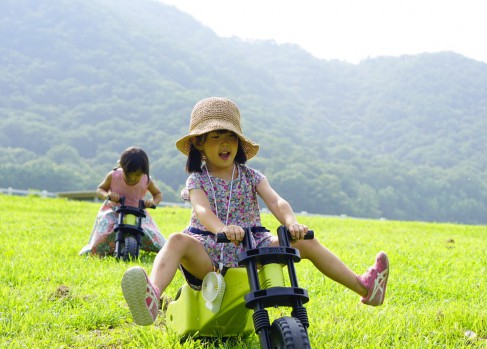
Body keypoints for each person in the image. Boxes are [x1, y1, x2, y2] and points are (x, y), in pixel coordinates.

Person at [121, 97, 389, 326]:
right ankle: (153, 297)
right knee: (177, 240)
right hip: (208, 254)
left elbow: (276, 202)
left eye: (230, 137)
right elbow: (202, 210)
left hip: (251, 249)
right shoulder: (197, 181)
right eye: (216, 137)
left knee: (305, 241)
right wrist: (222, 230)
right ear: (200, 143)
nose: (225, 143)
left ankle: (365, 287)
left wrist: (291, 222)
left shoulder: (251, 176)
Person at [80, 146, 166, 257]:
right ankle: (94, 250)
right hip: (115, 210)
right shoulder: (114, 175)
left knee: (152, 234)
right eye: (128, 174)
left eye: (137, 175)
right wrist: (108, 195)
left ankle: (166, 251)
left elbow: (158, 194)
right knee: (105, 231)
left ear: (144, 171)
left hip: (137, 212)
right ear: (122, 166)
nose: (133, 178)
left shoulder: (146, 180)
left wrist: (152, 202)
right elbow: (100, 189)